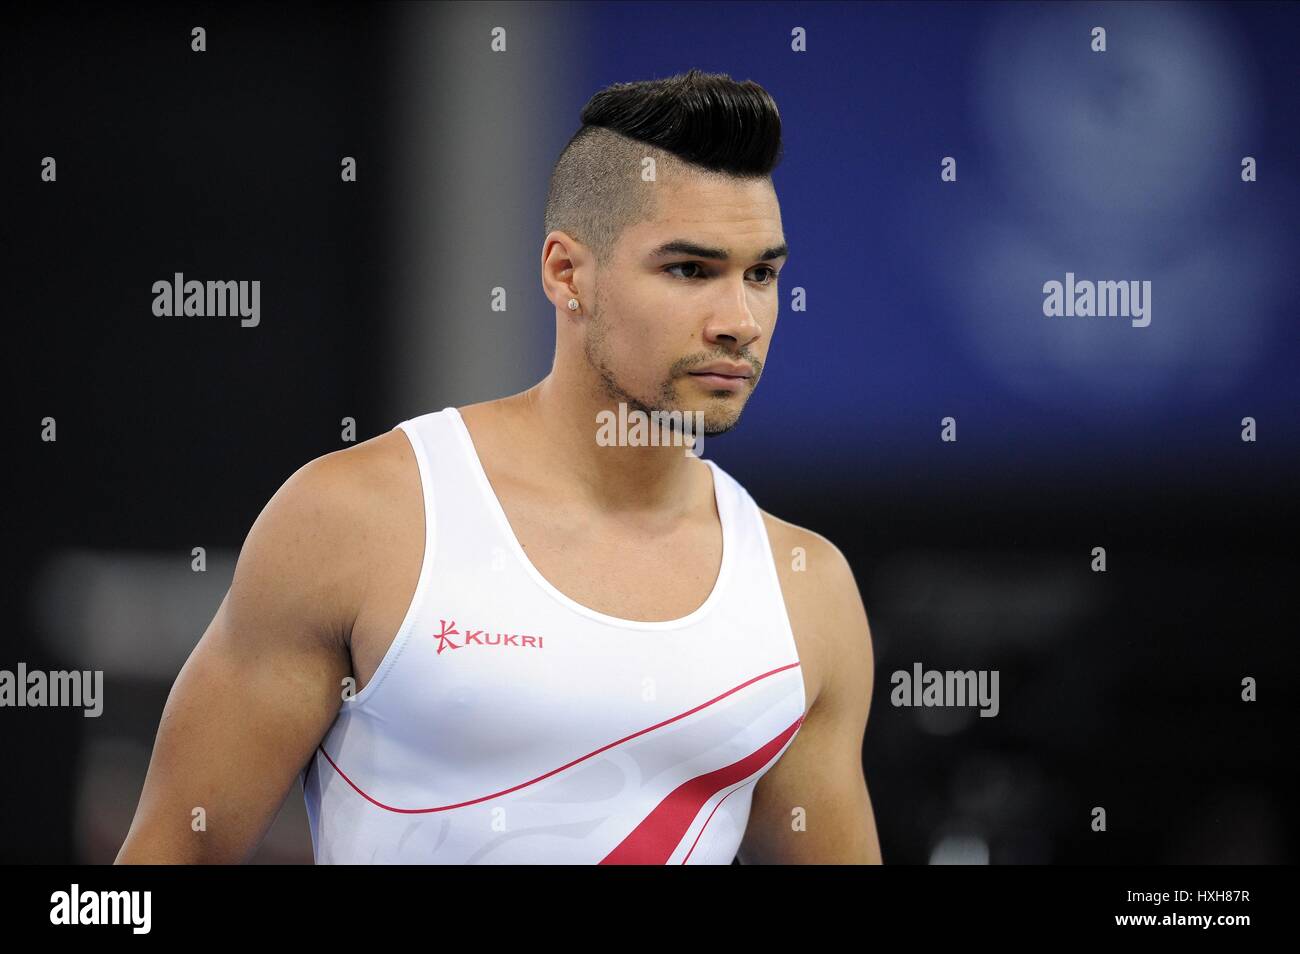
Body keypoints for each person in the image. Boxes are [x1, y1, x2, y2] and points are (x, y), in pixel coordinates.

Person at [116, 69, 882, 864]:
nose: (741, 322)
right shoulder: (358, 522)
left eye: (761, 274)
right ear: (565, 274)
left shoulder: (805, 591)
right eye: (690, 270)